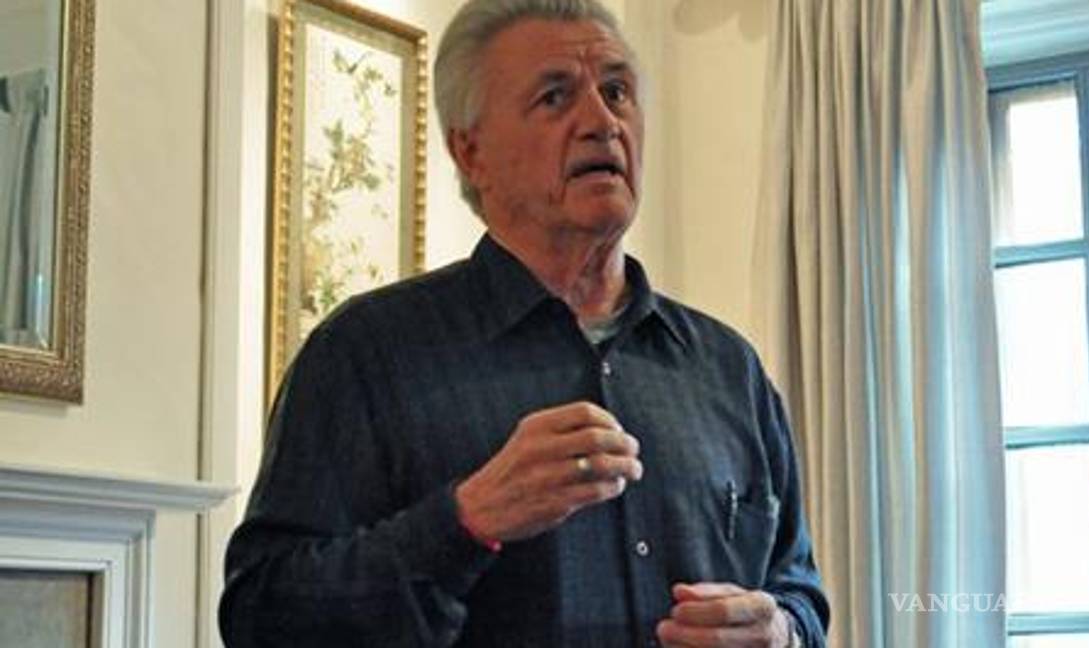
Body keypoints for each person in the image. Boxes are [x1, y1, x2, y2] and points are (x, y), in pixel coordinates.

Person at [218, 0, 830, 646]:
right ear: (470, 151)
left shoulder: (729, 369)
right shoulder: (364, 355)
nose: (602, 121)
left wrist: (782, 631)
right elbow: (262, 616)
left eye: (617, 91)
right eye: (555, 97)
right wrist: (464, 521)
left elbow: (799, 591)